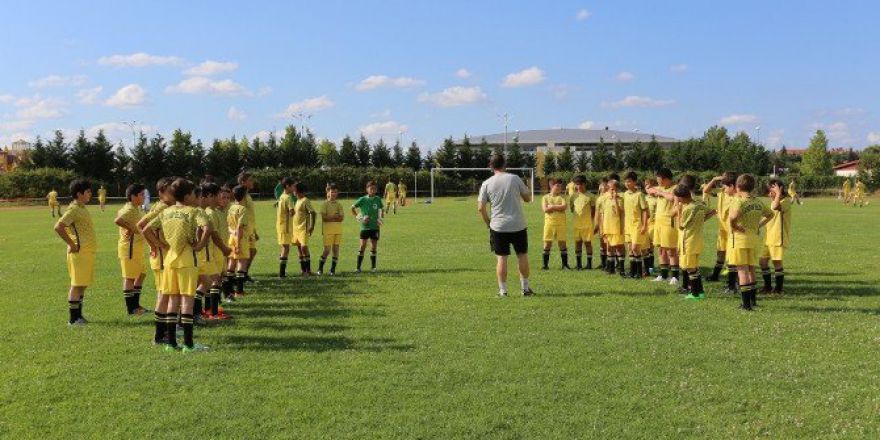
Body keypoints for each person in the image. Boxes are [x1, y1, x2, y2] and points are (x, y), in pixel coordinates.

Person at [144, 178, 212, 352]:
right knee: (187, 300)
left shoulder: (166, 212)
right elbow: (207, 227)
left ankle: (171, 343)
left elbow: (146, 229)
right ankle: (188, 344)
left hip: (169, 260)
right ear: (189, 195)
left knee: (172, 300)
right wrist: (200, 245)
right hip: (187, 259)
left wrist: (160, 245)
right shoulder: (194, 211)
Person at [478, 154, 534, 297]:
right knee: (522, 255)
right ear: (505, 165)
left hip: (498, 226)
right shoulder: (514, 178)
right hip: (518, 224)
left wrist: (488, 223)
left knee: (501, 258)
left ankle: (503, 291)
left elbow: (480, 208)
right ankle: (525, 289)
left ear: (491, 166)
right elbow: (528, 198)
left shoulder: (486, 183)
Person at [728, 174, 774, 311]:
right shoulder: (757, 201)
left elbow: (734, 216)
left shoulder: (739, 200)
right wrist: (759, 225)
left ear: (737, 187)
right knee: (751, 269)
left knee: (742, 271)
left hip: (740, 240)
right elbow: (771, 214)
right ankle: (753, 301)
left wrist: (734, 225)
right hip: (753, 240)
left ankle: (746, 305)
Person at [53, 179, 96, 326]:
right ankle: (73, 319)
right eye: (88, 191)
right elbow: (58, 226)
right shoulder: (73, 209)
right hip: (79, 252)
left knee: (82, 284)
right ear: (79, 194)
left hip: (87, 252)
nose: (91, 194)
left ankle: (79, 316)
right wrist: (71, 244)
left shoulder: (82, 207)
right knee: (76, 284)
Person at [138, 177, 174, 344]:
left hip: (167, 257)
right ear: (160, 193)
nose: (172, 193)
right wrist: (156, 245)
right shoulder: (161, 207)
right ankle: (160, 335)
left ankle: (165, 331)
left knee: (167, 293)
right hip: (161, 258)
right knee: (163, 293)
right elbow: (142, 225)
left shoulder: (170, 207)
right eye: (169, 190)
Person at [114, 183, 150, 316]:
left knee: (141, 275)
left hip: (137, 248)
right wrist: (130, 229)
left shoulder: (136, 208)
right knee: (129, 278)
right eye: (141, 194)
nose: (143, 197)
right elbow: (117, 220)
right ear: (133, 196)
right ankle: (132, 309)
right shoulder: (129, 208)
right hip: (129, 247)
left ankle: (136, 305)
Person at [199, 183, 232, 320]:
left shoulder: (216, 212)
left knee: (213, 281)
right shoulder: (209, 213)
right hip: (211, 251)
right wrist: (224, 248)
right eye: (219, 194)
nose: (222, 197)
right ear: (211, 196)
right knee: (213, 280)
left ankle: (209, 310)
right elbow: (212, 234)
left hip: (216, 251)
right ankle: (211, 312)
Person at [675, 184, 713, 300]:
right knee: (694, 267)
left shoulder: (687, 208)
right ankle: (700, 292)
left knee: (690, 268)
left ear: (681, 197)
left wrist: (678, 211)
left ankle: (694, 294)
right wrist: (701, 221)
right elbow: (711, 212)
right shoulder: (699, 205)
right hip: (697, 240)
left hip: (688, 241)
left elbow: (681, 226)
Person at [702, 172, 737, 291]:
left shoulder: (735, 195)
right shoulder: (722, 191)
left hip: (732, 230)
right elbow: (706, 190)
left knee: (732, 256)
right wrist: (713, 179)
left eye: (724, 177)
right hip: (722, 229)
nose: (722, 179)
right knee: (721, 252)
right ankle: (715, 275)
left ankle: (733, 282)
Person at [647, 168, 679, 285]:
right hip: (658, 223)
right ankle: (663, 275)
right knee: (661, 250)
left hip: (669, 223)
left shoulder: (675, 188)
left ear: (666, 179)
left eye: (659, 180)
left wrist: (660, 193)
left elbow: (673, 198)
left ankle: (675, 276)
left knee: (671, 250)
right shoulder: (660, 187)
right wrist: (652, 189)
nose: (658, 182)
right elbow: (650, 190)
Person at [759, 178, 792, 294]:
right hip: (769, 238)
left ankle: (778, 289)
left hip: (778, 238)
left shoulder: (786, 201)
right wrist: (757, 226)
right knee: (762, 261)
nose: (769, 194)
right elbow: (768, 216)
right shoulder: (774, 201)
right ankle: (767, 287)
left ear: (779, 190)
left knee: (777, 262)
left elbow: (776, 207)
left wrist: (778, 193)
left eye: (771, 191)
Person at [352, 181, 384, 273]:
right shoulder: (362, 199)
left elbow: (381, 210)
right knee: (362, 246)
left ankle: (373, 268)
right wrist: (360, 219)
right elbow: (352, 208)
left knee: (373, 247)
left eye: (374, 189)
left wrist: (380, 220)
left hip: (375, 227)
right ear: (367, 189)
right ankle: (358, 268)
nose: (373, 190)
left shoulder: (378, 199)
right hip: (364, 227)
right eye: (371, 189)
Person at [596, 179, 626, 277]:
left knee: (619, 248)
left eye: (612, 188)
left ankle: (621, 269)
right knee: (609, 247)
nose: (610, 190)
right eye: (609, 188)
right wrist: (601, 228)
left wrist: (615, 200)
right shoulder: (603, 198)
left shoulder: (620, 198)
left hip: (618, 227)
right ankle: (611, 269)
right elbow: (601, 214)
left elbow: (618, 213)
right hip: (607, 226)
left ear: (617, 188)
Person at [622, 172, 649, 278]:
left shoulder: (640, 194)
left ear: (634, 182)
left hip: (637, 225)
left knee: (635, 248)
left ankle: (639, 272)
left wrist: (644, 225)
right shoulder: (625, 194)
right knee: (630, 249)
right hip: (628, 225)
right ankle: (633, 272)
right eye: (625, 181)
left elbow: (645, 211)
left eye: (629, 181)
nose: (627, 183)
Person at [227, 185, 251, 298]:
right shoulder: (243, 209)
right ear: (244, 196)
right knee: (242, 263)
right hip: (240, 239)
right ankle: (239, 291)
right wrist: (238, 244)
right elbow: (240, 228)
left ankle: (229, 289)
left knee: (231, 263)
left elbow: (229, 226)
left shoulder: (231, 208)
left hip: (231, 238)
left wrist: (233, 235)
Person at [541, 178, 570, 270]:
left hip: (561, 224)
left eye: (560, 186)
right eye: (557, 185)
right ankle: (545, 265)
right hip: (549, 224)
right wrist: (558, 207)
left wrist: (552, 206)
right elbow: (545, 209)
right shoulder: (545, 197)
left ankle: (565, 265)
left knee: (562, 244)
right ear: (551, 186)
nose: (559, 187)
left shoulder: (562, 197)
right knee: (547, 244)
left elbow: (564, 207)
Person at [569, 175, 595, 270]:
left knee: (588, 244)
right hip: (576, 224)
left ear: (585, 184)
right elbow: (572, 209)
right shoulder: (573, 196)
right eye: (577, 184)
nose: (578, 186)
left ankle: (589, 264)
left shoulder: (591, 196)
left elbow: (593, 210)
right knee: (578, 243)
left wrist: (590, 221)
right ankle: (579, 264)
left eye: (580, 184)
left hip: (587, 224)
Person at [319, 183, 345, 275]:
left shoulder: (339, 205)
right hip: (327, 230)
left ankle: (332, 270)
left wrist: (331, 217)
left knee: (336, 250)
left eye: (335, 192)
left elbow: (341, 218)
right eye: (332, 192)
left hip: (338, 230)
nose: (334, 194)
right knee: (327, 250)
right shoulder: (325, 204)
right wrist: (335, 216)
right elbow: (324, 218)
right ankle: (320, 269)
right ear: (328, 192)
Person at [292, 182, 316, 275]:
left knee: (304, 247)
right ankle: (303, 270)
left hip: (303, 228)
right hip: (296, 228)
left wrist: (312, 226)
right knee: (299, 248)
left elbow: (313, 212)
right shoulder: (297, 201)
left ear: (298, 191)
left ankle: (308, 270)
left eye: (294, 190)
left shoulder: (305, 200)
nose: (293, 192)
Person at [238, 172, 258, 282]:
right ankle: (240, 275)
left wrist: (254, 230)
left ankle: (244, 274)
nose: (252, 182)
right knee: (244, 254)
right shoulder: (242, 197)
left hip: (250, 229)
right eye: (250, 180)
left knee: (252, 251)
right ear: (243, 182)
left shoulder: (248, 195)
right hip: (244, 231)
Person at [276, 177, 295, 278]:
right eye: (293, 186)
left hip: (280, 226)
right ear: (288, 186)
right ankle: (282, 273)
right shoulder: (288, 197)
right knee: (286, 248)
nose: (294, 187)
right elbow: (292, 211)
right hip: (286, 227)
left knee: (284, 247)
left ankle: (281, 272)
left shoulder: (282, 196)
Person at [643, 177, 658, 275]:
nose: (647, 188)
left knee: (651, 248)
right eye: (645, 186)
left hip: (654, 225)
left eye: (649, 186)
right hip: (645, 225)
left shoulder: (657, 199)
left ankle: (650, 269)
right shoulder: (643, 198)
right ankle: (646, 269)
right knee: (645, 248)